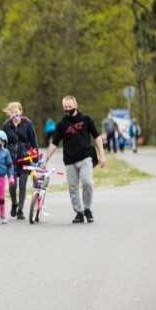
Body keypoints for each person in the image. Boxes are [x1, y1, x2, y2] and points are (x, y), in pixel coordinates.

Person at [42, 95, 106, 223]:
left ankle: (87, 209)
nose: (68, 109)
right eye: (65, 107)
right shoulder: (61, 124)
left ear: (76, 105)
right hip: (70, 159)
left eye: (70, 107)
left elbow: (97, 137)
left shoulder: (86, 119)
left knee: (88, 182)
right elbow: (54, 144)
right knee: (73, 187)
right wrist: (45, 160)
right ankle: (79, 212)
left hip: (85, 157)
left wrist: (102, 154)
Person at [1, 102, 38, 220]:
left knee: (22, 185)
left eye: (16, 112)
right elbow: (3, 142)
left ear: (20, 112)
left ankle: (20, 210)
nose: (14, 114)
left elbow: (34, 141)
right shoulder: (6, 125)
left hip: (25, 159)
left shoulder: (27, 124)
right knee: (13, 186)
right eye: (12, 112)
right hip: (10, 160)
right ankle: (14, 203)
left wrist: (36, 158)